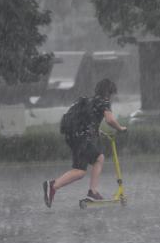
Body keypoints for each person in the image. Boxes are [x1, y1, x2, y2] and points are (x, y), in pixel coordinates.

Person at [43, 78, 127, 208]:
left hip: (72, 137)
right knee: (99, 158)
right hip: (82, 139)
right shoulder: (104, 101)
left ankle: (53, 186)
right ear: (109, 93)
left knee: (79, 171)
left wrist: (96, 130)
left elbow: (87, 120)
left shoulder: (89, 101)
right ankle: (91, 192)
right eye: (112, 94)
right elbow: (110, 120)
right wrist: (120, 128)